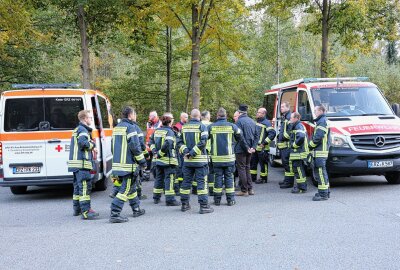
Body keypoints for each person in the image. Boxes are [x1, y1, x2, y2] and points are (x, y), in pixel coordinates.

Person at [109, 106, 147, 223]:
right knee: (125, 190)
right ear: (130, 115)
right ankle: (115, 214)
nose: (135, 116)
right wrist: (142, 161)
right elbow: (135, 147)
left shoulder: (116, 128)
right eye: (134, 114)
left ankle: (136, 209)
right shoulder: (130, 128)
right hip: (128, 166)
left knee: (131, 188)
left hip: (117, 165)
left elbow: (112, 146)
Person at [177, 109, 214, 214]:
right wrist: (192, 152)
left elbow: (179, 142)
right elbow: (203, 142)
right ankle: (204, 206)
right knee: (201, 183)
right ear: (199, 117)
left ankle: (184, 205)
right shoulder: (202, 127)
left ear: (190, 116)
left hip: (187, 161)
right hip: (200, 161)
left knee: (186, 182)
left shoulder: (184, 127)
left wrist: (186, 152)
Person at [68, 110, 99, 220]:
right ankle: (86, 211)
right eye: (90, 117)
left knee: (77, 188)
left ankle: (77, 210)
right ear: (85, 119)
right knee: (85, 188)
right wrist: (92, 144)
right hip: (82, 164)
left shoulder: (77, 129)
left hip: (75, 164)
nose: (91, 119)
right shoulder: (83, 130)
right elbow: (83, 143)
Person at [208, 108, 242, 206]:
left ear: (217, 116)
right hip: (229, 158)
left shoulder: (211, 127)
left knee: (217, 178)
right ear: (226, 115)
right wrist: (233, 145)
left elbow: (205, 139)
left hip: (216, 158)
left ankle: (217, 200)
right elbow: (240, 137)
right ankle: (230, 200)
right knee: (229, 178)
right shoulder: (232, 126)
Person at [150, 113, 180, 206]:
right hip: (168, 160)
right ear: (170, 121)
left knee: (159, 178)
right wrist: (160, 153)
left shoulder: (157, 131)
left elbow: (151, 142)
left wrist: (155, 152)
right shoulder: (170, 132)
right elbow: (168, 144)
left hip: (159, 161)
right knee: (169, 179)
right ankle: (170, 200)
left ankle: (156, 197)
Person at [235, 104, 258, 196]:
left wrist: (246, 148)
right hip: (250, 149)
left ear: (239, 112)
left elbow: (239, 137)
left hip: (241, 149)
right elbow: (257, 135)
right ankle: (250, 189)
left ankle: (244, 190)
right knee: (247, 168)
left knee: (241, 169)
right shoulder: (252, 121)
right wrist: (253, 147)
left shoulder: (239, 122)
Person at [309, 105, 330, 201]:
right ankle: (326, 191)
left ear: (321, 111)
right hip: (321, 151)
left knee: (320, 172)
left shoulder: (322, 122)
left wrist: (310, 145)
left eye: (315, 111)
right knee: (322, 172)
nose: (315, 113)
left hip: (320, 152)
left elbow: (318, 137)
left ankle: (323, 194)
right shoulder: (323, 120)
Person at [250, 108, 276, 184]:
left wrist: (264, 143)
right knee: (253, 163)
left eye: (259, 112)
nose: (257, 113)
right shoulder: (258, 122)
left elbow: (272, 133)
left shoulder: (266, 123)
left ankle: (263, 178)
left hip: (262, 148)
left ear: (263, 114)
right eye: (257, 112)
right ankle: (252, 178)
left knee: (263, 164)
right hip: (255, 148)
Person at [289, 112, 309, 194]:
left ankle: (302, 188)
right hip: (298, 153)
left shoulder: (298, 126)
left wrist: (294, 145)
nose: (290, 119)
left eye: (291, 118)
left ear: (296, 118)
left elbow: (300, 137)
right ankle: (301, 186)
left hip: (298, 153)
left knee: (299, 170)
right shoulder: (297, 125)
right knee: (298, 169)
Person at [279, 102, 295, 189]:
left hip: (287, 145)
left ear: (288, 108)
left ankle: (289, 182)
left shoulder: (289, 117)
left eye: (282, 107)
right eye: (281, 106)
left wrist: (282, 137)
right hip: (283, 145)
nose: (281, 108)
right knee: (285, 164)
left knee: (288, 164)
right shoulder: (285, 116)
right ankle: (286, 180)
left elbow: (289, 133)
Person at [172, 112, 189, 193]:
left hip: (185, 150)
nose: (187, 118)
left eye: (187, 117)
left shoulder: (187, 126)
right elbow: (177, 140)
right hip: (179, 151)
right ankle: (178, 186)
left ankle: (182, 184)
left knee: (184, 168)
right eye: (185, 117)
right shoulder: (177, 127)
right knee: (179, 169)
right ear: (181, 117)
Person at [144, 111, 162, 180]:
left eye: (150, 117)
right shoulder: (148, 123)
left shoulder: (160, 124)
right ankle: (146, 176)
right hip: (148, 145)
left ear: (155, 117)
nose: (149, 118)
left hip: (156, 145)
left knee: (155, 161)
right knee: (147, 161)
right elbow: (148, 134)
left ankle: (157, 175)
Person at [201, 110, 215, 196]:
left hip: (200, 151)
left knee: (200, 170)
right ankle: (211, 189)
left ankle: (200, 188)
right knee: (211, 171)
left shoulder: (199, 125)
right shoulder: (212, 125)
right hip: (211, 151)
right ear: (207, 116)